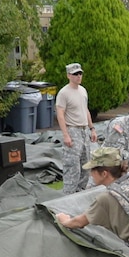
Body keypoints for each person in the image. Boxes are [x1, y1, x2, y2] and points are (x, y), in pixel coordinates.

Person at [56, 63, 94, 194]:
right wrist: (66, 135)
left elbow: (86, 110)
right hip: (72, 130)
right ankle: (68, 197)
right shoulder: (64, 93)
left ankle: (80, 193)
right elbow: (60, 114)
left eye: (80, 74)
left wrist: (92, 128)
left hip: (84, 131)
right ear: (68, 76)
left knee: (86, 165)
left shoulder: (83, 91)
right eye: (75, 74)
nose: (78, 76)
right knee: (73, 167)